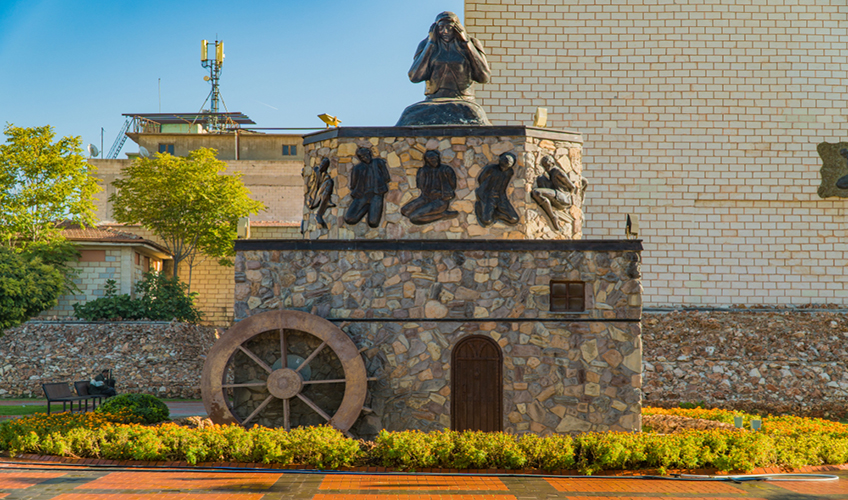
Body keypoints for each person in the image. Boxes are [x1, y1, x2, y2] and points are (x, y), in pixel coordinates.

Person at [396, 11, 493, 125]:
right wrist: (431, 44)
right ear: (435, 29)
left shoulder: (472, 43)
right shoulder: (425, 45)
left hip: (463, 101)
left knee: (474, 115)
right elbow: (414, 76)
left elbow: (484, 77)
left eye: (449, 28)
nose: (445, 31)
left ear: (457, 28)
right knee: (408, 115)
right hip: (433, 102)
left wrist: (466, 44)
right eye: (441, 28)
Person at [401, 150, 459, 225]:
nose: (434, 160)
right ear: (426, 160)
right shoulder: (423, 171)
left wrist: (439, 193)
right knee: (405, 211)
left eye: (435, 158)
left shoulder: (446, 170)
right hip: (425, 198)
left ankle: (442, 215)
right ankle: (428, 212)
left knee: (414, 217)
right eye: (431, 158)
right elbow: (420, 186)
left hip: (440, 201)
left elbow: (452, 187)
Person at [344, 147, 390, 228]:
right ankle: (367, 207)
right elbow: (353, 185)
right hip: (362, 195)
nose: (366, 157)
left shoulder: (379, 162)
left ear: (370, 154)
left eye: (367, 155)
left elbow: (386, 177)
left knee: (373, 222)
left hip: (376, 195)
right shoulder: (357, 168)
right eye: (363, 157)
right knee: (349, 218)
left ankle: (371, 206)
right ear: (360, 158)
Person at [531, 155, 577, 231]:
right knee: (540, 179)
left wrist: (568, 197)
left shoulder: (557, 172)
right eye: (545, 166)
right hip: (556, 193)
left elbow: (572, 187)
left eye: (548, 166)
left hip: (561, 196)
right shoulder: (550, 173)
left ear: (552, 163)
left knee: (537, 192)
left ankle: (552, 217)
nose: (547, 168)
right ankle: (551, 212)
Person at [475, 152, 520, 226]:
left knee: (514, 219)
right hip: (489, 197)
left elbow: (504, 186)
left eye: (509, 162)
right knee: (486, 221)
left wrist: (502, 198)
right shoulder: (491, 169)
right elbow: (481, 179)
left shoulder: (509, 172)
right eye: (505, 160)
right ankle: (481, 206)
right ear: (500, 160)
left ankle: (496, 214)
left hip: (501, 198)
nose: (507, 162)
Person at [305, 157, 335, 229]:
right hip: (313, 196)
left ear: (326, 167)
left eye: (324, 165)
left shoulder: (326, 175)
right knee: (327, 185)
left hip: (320, 194)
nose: (322, 166)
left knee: (329, 182)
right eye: (321, 164)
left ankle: (320, 211)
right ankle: (321, 210)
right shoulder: (315, 171)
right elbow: (310, 184)